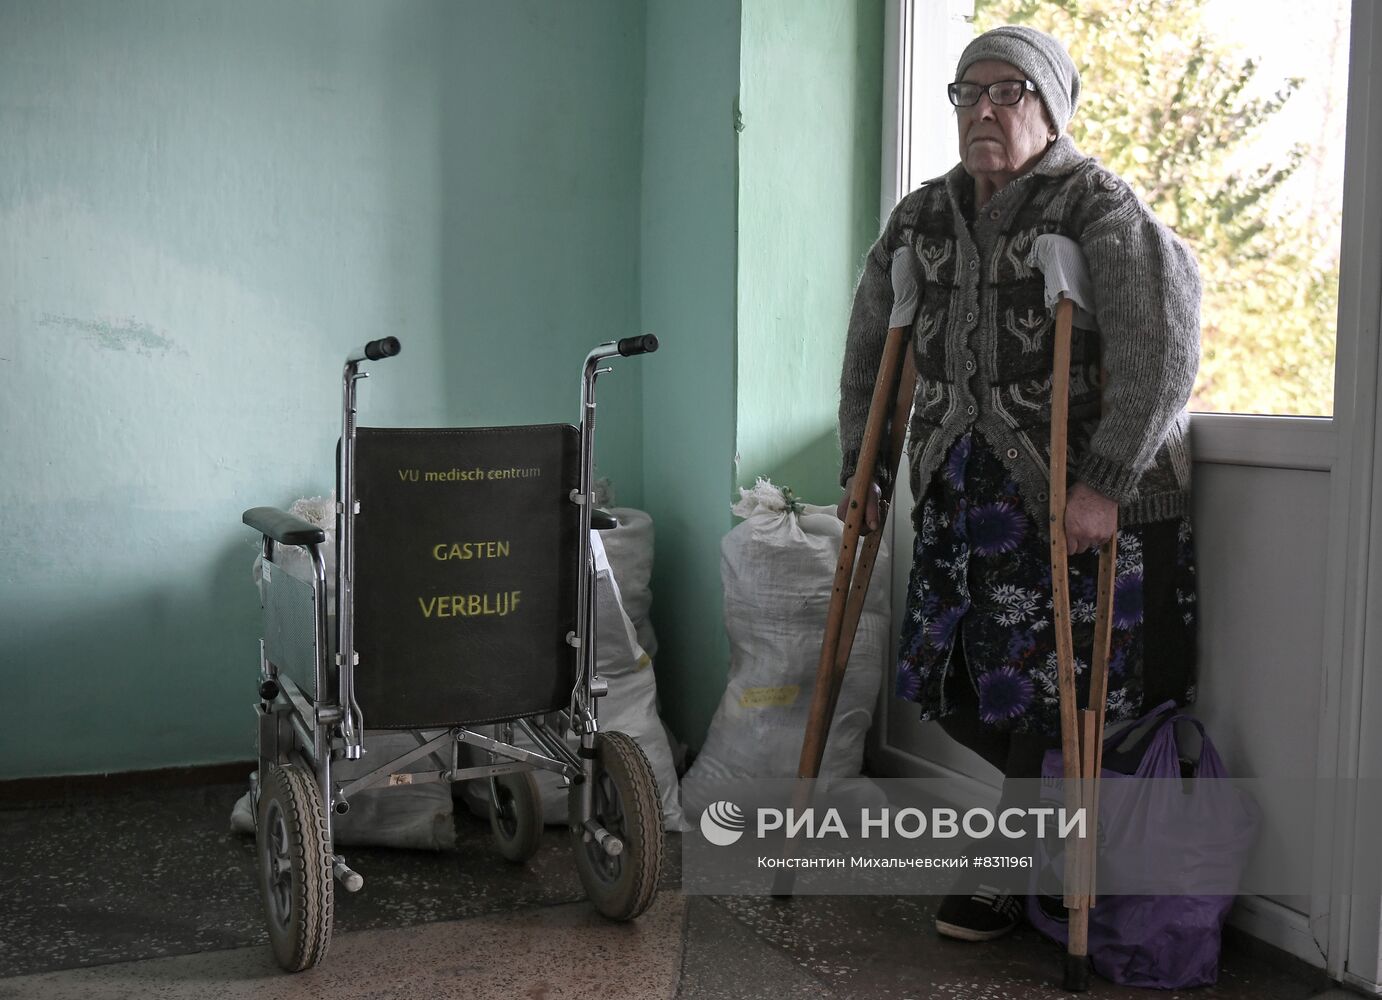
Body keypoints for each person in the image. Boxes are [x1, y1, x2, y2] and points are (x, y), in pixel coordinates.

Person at [836, 25, 1201, 942]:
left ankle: (1010, 867)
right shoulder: (921, 217)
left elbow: (1164, 347)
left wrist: (1106, 483)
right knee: (955, 679)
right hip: (965, 498)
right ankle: (1034, 848)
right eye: (969, 93)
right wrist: (863, 468)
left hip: (1073, 502)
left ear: (1052, 108)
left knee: (1063, 697)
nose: (985, 111)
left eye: (1010, 92)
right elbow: (866, 353)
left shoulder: (1100, 206)